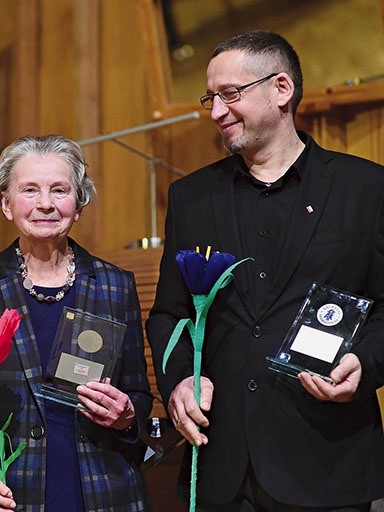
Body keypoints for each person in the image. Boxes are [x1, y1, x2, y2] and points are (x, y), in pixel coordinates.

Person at [146, 30, 384, 511]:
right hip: (222, 465)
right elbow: (169, 315)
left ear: (281, 89)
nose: (215, 111)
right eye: (210, 97)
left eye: (230, 94)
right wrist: (177, 384)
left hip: (327, 463)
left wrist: (367, 365)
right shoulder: (192, 198)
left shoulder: (367, 188)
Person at [0, 134, 153, 512]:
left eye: (60, 190)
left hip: (102, 490)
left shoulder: (116, 285)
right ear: (6, 203)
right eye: (30, 190)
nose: (46, 204)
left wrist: (127, 415)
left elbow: (138, 393)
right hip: (10, 491)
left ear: (79, 204)